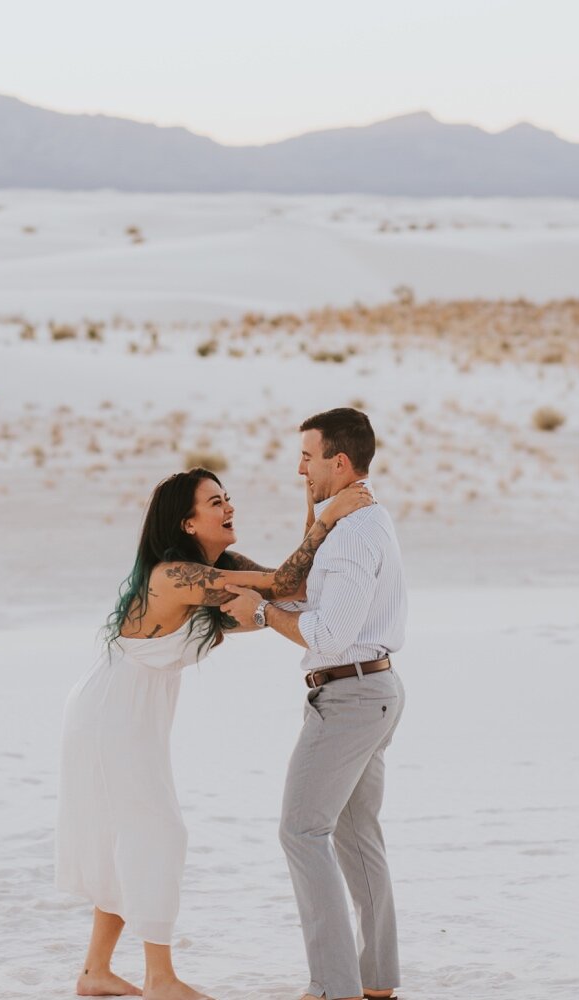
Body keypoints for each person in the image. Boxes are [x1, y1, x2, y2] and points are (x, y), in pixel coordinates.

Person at [55, 466, 373, 1000]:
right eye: (215, 502)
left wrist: (315, 517)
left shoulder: (221, 568)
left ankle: (95, 972)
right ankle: (160, 979)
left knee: (124, 833)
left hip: (138, 713)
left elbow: (291, 585)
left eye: (228, 498)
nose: (229, 508)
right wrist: (328, 519)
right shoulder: (172, 576)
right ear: (186, 522)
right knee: (156, 830)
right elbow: (281, 584)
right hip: (110, 713)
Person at [223, 408, 408, 1000]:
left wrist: (257, 613)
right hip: (371, 692)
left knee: (302, 831)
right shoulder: (352, 522)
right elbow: (309, 593)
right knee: (356, 836)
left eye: (308, 456)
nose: (299, 467)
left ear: (341, 462)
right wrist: (317, 516)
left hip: (350, 695)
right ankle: (376, 982)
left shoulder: (353, 534)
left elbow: (326, 633)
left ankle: (334, 985)